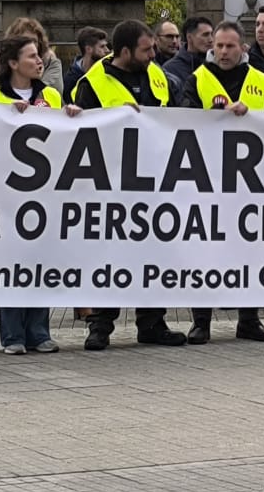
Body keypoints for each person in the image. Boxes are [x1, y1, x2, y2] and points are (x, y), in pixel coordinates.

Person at [70, 20, 188, 351]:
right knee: (110, 254)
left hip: (154, 181)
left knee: (154, 252)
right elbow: (82, 131)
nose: (154, 54)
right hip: (111, 183)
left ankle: (152, 322)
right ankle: (101, 324)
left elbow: (180, 117)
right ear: (125, 52)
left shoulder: (158, 75)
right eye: (146, 49)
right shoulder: (92, 83)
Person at [173, 21, 264, 345]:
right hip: (208, 180)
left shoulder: (261, 81)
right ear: (211, 47)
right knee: (204, 251)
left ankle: (249, 319)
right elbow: (183, 115)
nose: (224, 51)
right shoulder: (197, 79)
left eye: (231, 46)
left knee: (250, 250)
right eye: (219, 46)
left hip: (251, 183)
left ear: (243, 48)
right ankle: (201, 321)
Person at [0, 33, 78, 353]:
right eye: (31, 56)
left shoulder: (51, 94)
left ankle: (39, 331)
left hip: (47, 192)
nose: (39, 61)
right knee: (13, 264)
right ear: (13, 63)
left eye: (40, 55)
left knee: (41, 261)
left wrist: (71, 115)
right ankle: (12, 335)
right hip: (11, 194)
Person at [2, 17, 64, 92]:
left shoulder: (51, 63)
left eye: (34, 41)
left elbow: (51, 94)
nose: (31, 45)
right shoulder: (4, 65)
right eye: (25, 40)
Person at [160, 14, 213, 94]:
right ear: (189, 37)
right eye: (205, 35)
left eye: (212, 34)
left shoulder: (216, 65)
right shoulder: (170, 69)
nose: (211, 40)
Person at [63, 26, 109, 97]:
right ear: (88, 49)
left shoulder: (108, 72)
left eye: (106, 46)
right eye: (102, 46)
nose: (107, 50)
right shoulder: (71, 79)